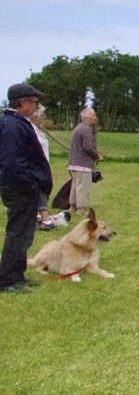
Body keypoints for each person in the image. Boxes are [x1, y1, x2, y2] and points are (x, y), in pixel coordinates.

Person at [0, 83, 53, 293]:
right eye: (35, 102)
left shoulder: (17, 123)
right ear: (23, 102)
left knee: (24, 234)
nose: (36, 107)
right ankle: (7, 280)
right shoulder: (13, 125)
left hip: (21, 186)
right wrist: (31, 184)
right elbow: (13, 163)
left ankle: (16, 274)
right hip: (20, 187)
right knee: (18, 233)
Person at [67, 107, 103, 216]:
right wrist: (97, 156)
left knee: (75, 185)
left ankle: (72, 206)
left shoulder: (79, 128)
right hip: (83, 163)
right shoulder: (86, 130)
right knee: (83, 186)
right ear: (86, 117)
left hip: (74, 162)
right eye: (93, 115)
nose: (95, 118)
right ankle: (80, 208)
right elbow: (87, 147)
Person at [29, 104, 56, 230]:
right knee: (40, 192)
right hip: (36, 167)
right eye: (42, 115)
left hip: (43, 166)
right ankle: (45, 220)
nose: (43, 118)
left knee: (41, 191)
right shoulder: (30, 129)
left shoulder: (36, 128)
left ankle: (34, 217)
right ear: (35, 116)